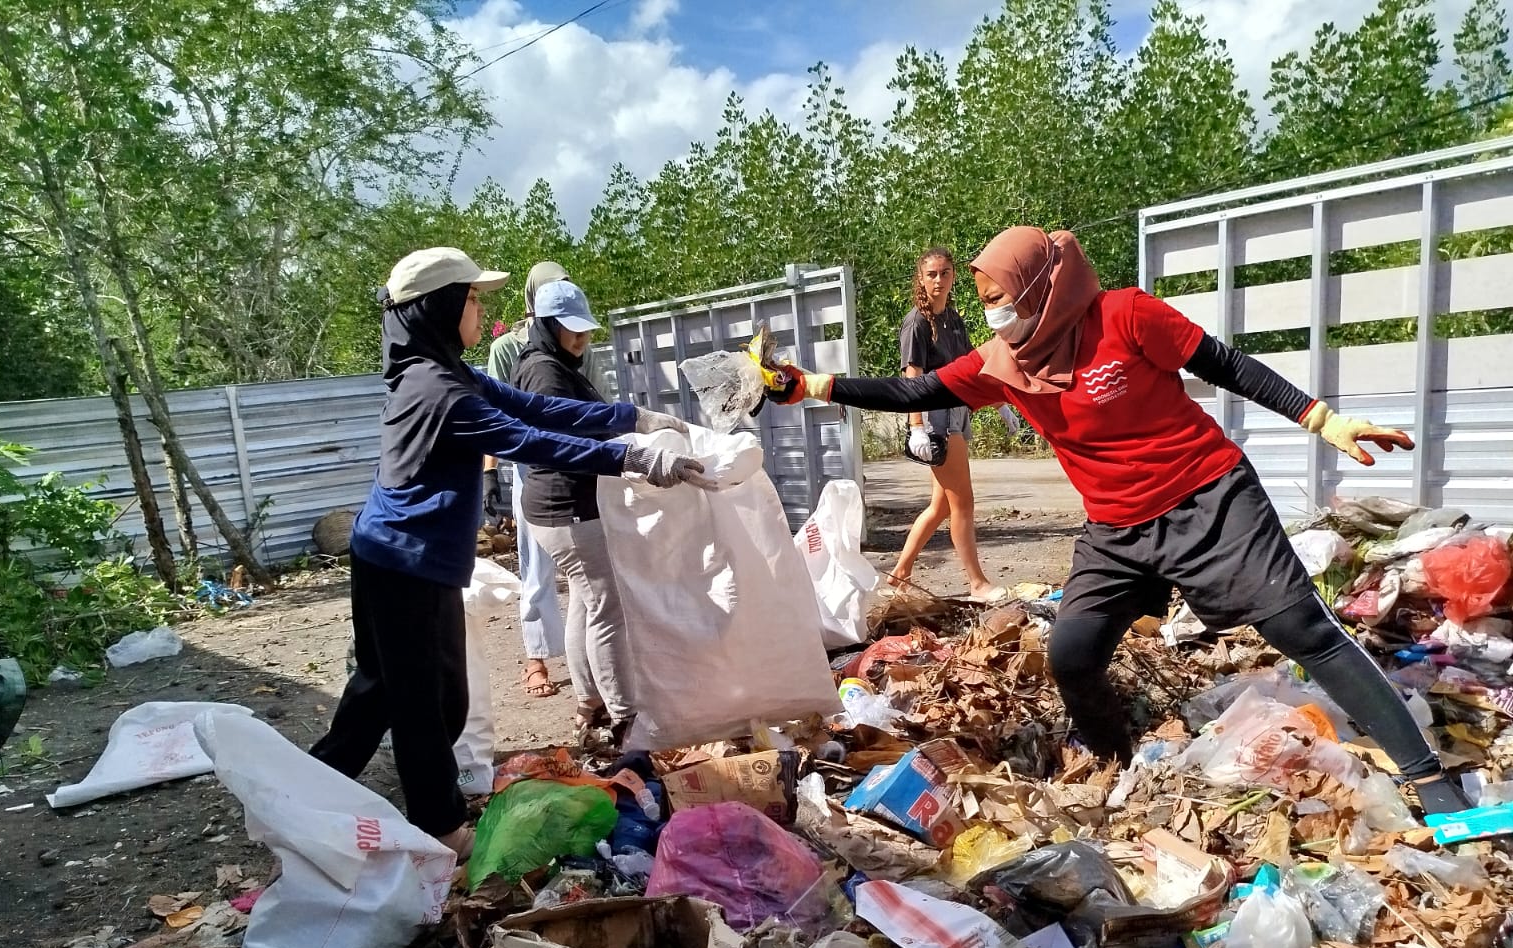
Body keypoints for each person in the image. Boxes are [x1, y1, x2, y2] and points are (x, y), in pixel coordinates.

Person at [774, 225, 1472, 816]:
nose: (992, 315)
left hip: (1208, 496)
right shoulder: (1003, 362)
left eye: (999, 301)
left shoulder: (1126, 315)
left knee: (1299, 628)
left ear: (1045, 285)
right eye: (983, 304)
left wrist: (1323, 418)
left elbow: (1225, 365)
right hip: (1116, 529)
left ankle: (1430, 779)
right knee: (1072, 654)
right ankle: (1117, 760)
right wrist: (814, 385)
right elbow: (915, 388)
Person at [311, 247, 703, 859]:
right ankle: (438, 825)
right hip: (400, 563)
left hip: (416, 559)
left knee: (388, 691)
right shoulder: (436, 388)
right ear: (438, 306)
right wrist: (633, 456)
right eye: (470, 298)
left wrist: (633, 417)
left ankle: (312, 791)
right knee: (422, 701)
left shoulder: (446, 369)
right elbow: (528, 440)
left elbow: (536, 408)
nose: (480, 308)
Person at [512, 279, 637, 743]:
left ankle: (589, 703)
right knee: (608, 607)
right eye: (571, 330)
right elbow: (569, 440)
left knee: (585, 603)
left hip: (558, 507)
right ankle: (625, 719)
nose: (581, 339)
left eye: (585, 330)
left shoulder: (551, 364)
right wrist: (631, 453)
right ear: (547, 326)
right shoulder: (546, 372)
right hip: (566, 508)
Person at [486, 262, 610, 699]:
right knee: (538, 568)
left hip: (581, 467)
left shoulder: (578, 347)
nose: (580, 339)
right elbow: (501, 417)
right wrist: (490, 473)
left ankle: (588, 693)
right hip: (537, 470)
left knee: (583, 588)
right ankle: (537, 658)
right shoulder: (514, 352)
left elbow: (596, 408)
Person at [892, 247, 1007, 603]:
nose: (938, 280)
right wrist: (916, 427)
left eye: (944, 273)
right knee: (963, 503)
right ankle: (977, 583)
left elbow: (975, 365)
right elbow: (913, 377)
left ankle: (899, 574)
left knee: (941, 506)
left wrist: (1001, 402)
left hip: (958, 410)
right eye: (931, 275)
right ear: (921, 280)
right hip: (935, 416)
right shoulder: (917, 323)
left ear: (953, 275)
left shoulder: (953, 319)